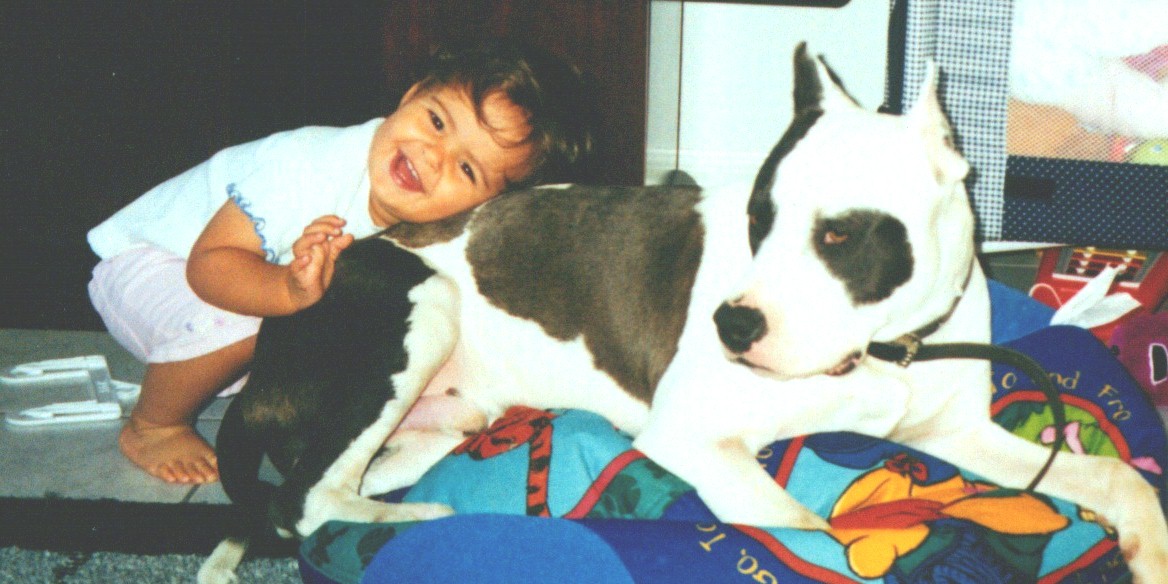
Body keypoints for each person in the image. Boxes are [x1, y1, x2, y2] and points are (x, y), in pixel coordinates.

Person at [86, 39, 596, 484]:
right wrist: (286, 291)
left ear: (489, 205)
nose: (432, 156)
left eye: (467, 168)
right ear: (411, 95)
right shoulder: (306, 165)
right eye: (437, 122)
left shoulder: (434, 224)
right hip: (153, 266)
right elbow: (209, 267)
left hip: (251, 291)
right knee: (252, 322)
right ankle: (154, 424)